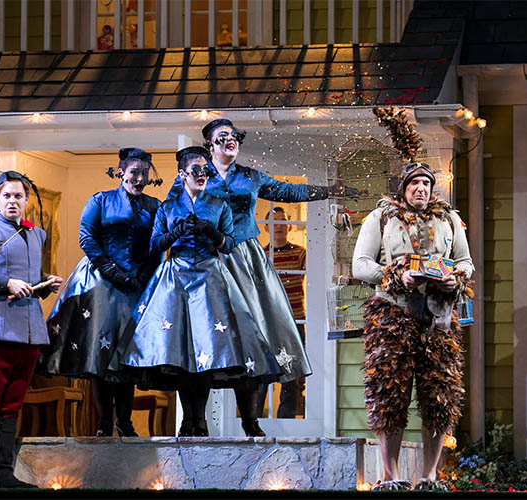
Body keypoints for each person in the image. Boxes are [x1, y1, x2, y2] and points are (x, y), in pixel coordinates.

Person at [195, 118, 359, 436]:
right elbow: (178, 209)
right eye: (222, 136)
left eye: (233, 134)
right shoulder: (198, 177)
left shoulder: (249, 177)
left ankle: (251, 420)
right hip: (210, 260)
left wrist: (329, 191)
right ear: (209, 144)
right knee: (207, 337)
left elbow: (288, 190)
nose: (230, 139)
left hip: (247, 259)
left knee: (256, 335)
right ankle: (196, 420)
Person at [123, 146, 282, 436]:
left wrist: (212, 232)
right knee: (183, 355)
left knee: (207, 351)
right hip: (176, 280)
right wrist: (175, 233)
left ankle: (206, 420)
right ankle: (190, 420)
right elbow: (155, 245)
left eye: (205, 170)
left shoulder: (219, 205)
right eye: (195, 170)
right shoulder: (168, 207)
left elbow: (230, 244)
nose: (202, 174)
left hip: (210, 278)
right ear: (182, 174)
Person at [352, 161, 474, 491]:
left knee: (439, 397)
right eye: (413, 183)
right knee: (390, 397)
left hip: (438, 318)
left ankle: (430, 475)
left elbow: (465, 261)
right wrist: (395, 275)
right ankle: (392, 475)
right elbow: (360, 264)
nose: (420, 188)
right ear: (403, 188)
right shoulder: (381, 218)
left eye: (426, 183)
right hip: (393, 316)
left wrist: (456, 278)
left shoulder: (449, 219)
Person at [41, 148, 162, 437]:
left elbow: (157, 244)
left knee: (127, 352)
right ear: (121, 172)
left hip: (136, 286)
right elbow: (87, 237)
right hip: (101, 283)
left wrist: (143, 275)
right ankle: (104, 422)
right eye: (134, 172)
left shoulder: (155, 205)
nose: (140, 178)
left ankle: (125, 421)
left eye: (145, 173)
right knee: (100, 350)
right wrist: (112, 271)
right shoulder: (100, 200)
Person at [0, 171, 64, 488]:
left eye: (18, 196)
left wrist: (44, 284)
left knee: (11, 404)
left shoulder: (36, 235)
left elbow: (27, 279)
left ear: (26, 200)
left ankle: (2, 472)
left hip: (28, 333)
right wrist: (5, 284)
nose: (13, 201)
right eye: (7, 196)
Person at [262, 207, 306, 418]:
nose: (278, 226)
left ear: (289, 226)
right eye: (274, 222)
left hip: (294, 322)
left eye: (282, 221)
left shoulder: (300, 254)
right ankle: (255, 422)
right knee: (262, 375)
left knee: (290, 378)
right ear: (266, 227)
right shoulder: (261, 255)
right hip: (267, 323)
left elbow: (316, 277)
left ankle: (286, 423)